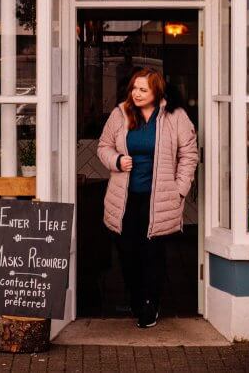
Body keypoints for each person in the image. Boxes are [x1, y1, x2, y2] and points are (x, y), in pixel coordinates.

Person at [97, 68, 198, 328]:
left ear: (157, 92)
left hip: (159, 198)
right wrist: (117, 161)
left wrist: (179, 189)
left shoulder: (175, 116)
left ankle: (150, 304)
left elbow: (189, 154)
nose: (137, 94)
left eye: (143, 89)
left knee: (153, 252)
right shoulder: (120, 115)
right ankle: (136, 296)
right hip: (125, 197)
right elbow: (103, 147)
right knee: (127, 251)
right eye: (134, 88)